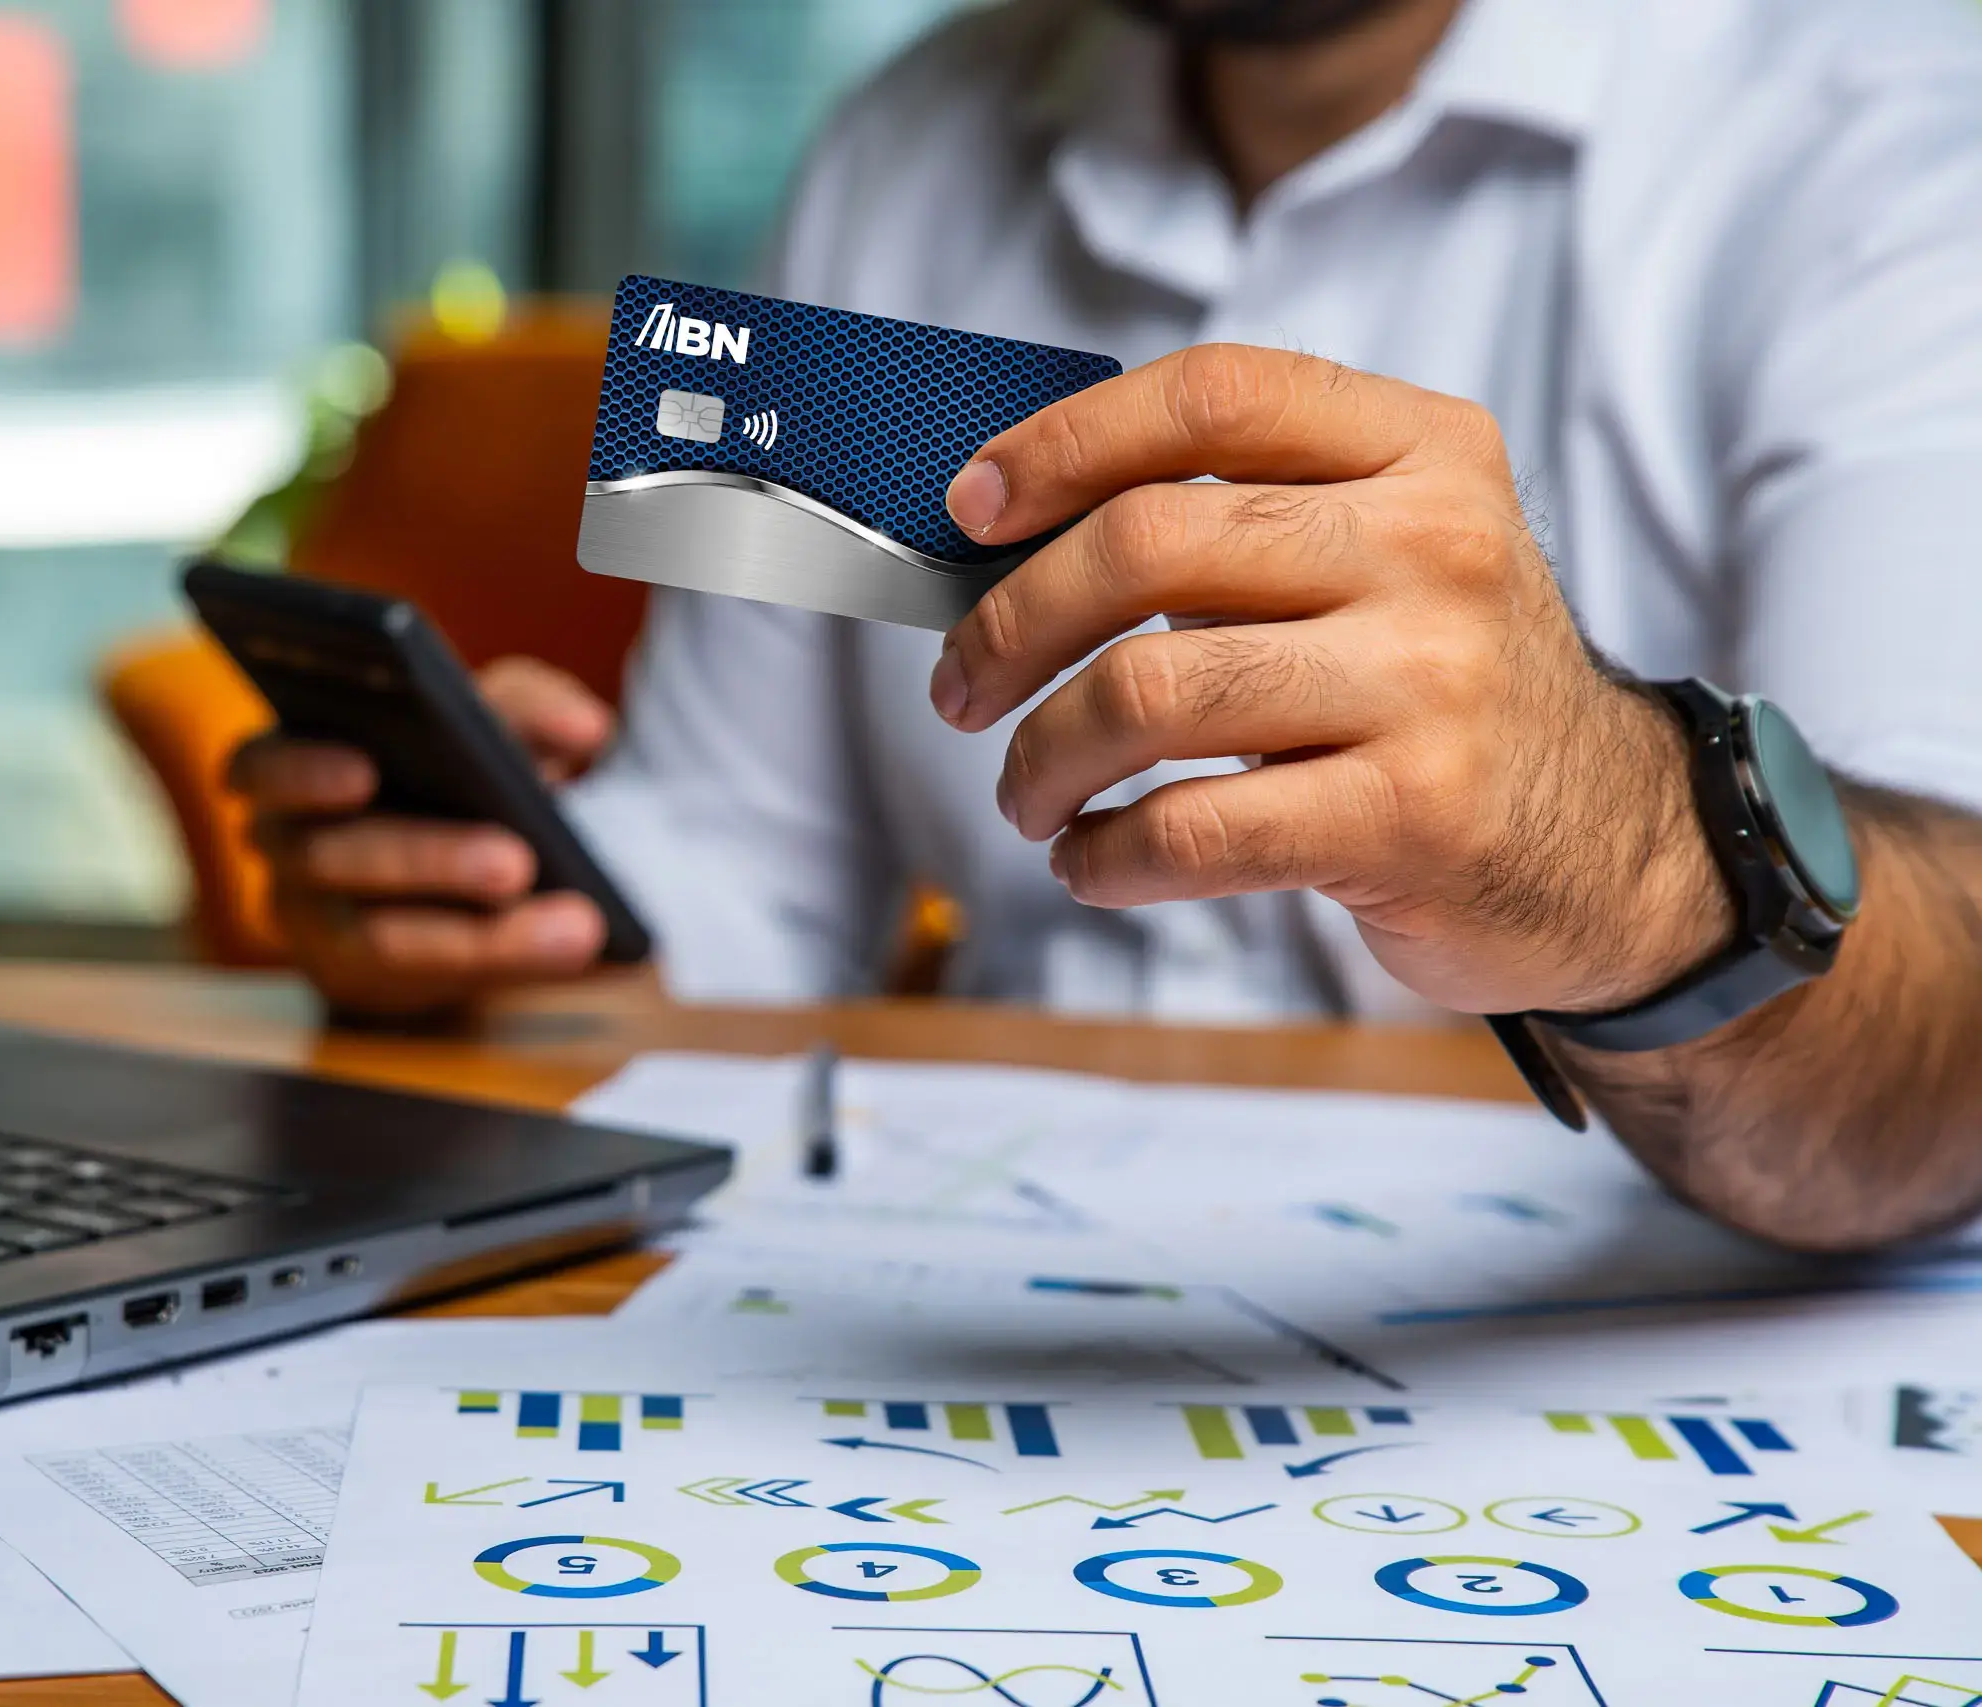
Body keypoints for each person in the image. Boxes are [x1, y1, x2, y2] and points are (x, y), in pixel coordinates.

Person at [230, 0, 1982, 1254]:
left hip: (1571, 1349)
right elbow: (744, 867)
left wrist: (1615, 836)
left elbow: (1951, 1012)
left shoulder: (1888, 143)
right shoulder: (905, 138)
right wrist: (519, 911)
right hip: (940, 1306)